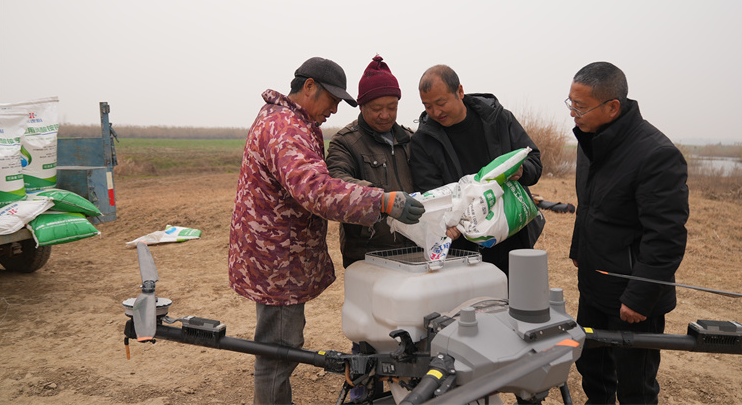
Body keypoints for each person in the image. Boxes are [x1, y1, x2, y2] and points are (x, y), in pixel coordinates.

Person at [227, 56, 424, 405]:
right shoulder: (286, 129)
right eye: (332, 100)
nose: (334, 110)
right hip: (278, 261)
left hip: (279, 256)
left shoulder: (288, 121)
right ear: (309, 87)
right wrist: (381, 201)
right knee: (279, 351)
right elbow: (316, 189)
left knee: (280, 346)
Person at [567, 62, 689, 404]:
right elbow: (589, 206)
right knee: (592, 368)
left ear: (612, 107)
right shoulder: (590, 141)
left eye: (580, 107)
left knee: (635, 385)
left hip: (633, 296)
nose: (573, 113)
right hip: (594, 282)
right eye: (570, 103)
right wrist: (579, 249)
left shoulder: (656, 154)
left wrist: (639, 297)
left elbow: (666, 236)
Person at [410, 64, 545, 276]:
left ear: (460, 91)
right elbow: (432, 195)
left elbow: (534, 162)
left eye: (441, 103)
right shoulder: (423, 142)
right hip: (464, 252)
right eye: (428, 106)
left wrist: (521, 171)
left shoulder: (499, 119)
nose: (436, 112)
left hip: (513, 238)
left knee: (519, 295)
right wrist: (446, 222)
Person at [327, 54, 417, 268]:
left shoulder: (411, 140)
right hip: (368, 256)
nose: (385, 115)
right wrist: (382, 200)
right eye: (377, 109)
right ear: (361, 106)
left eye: (392, 107)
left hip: (415, 251)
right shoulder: (345, 142)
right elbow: (336, 182)